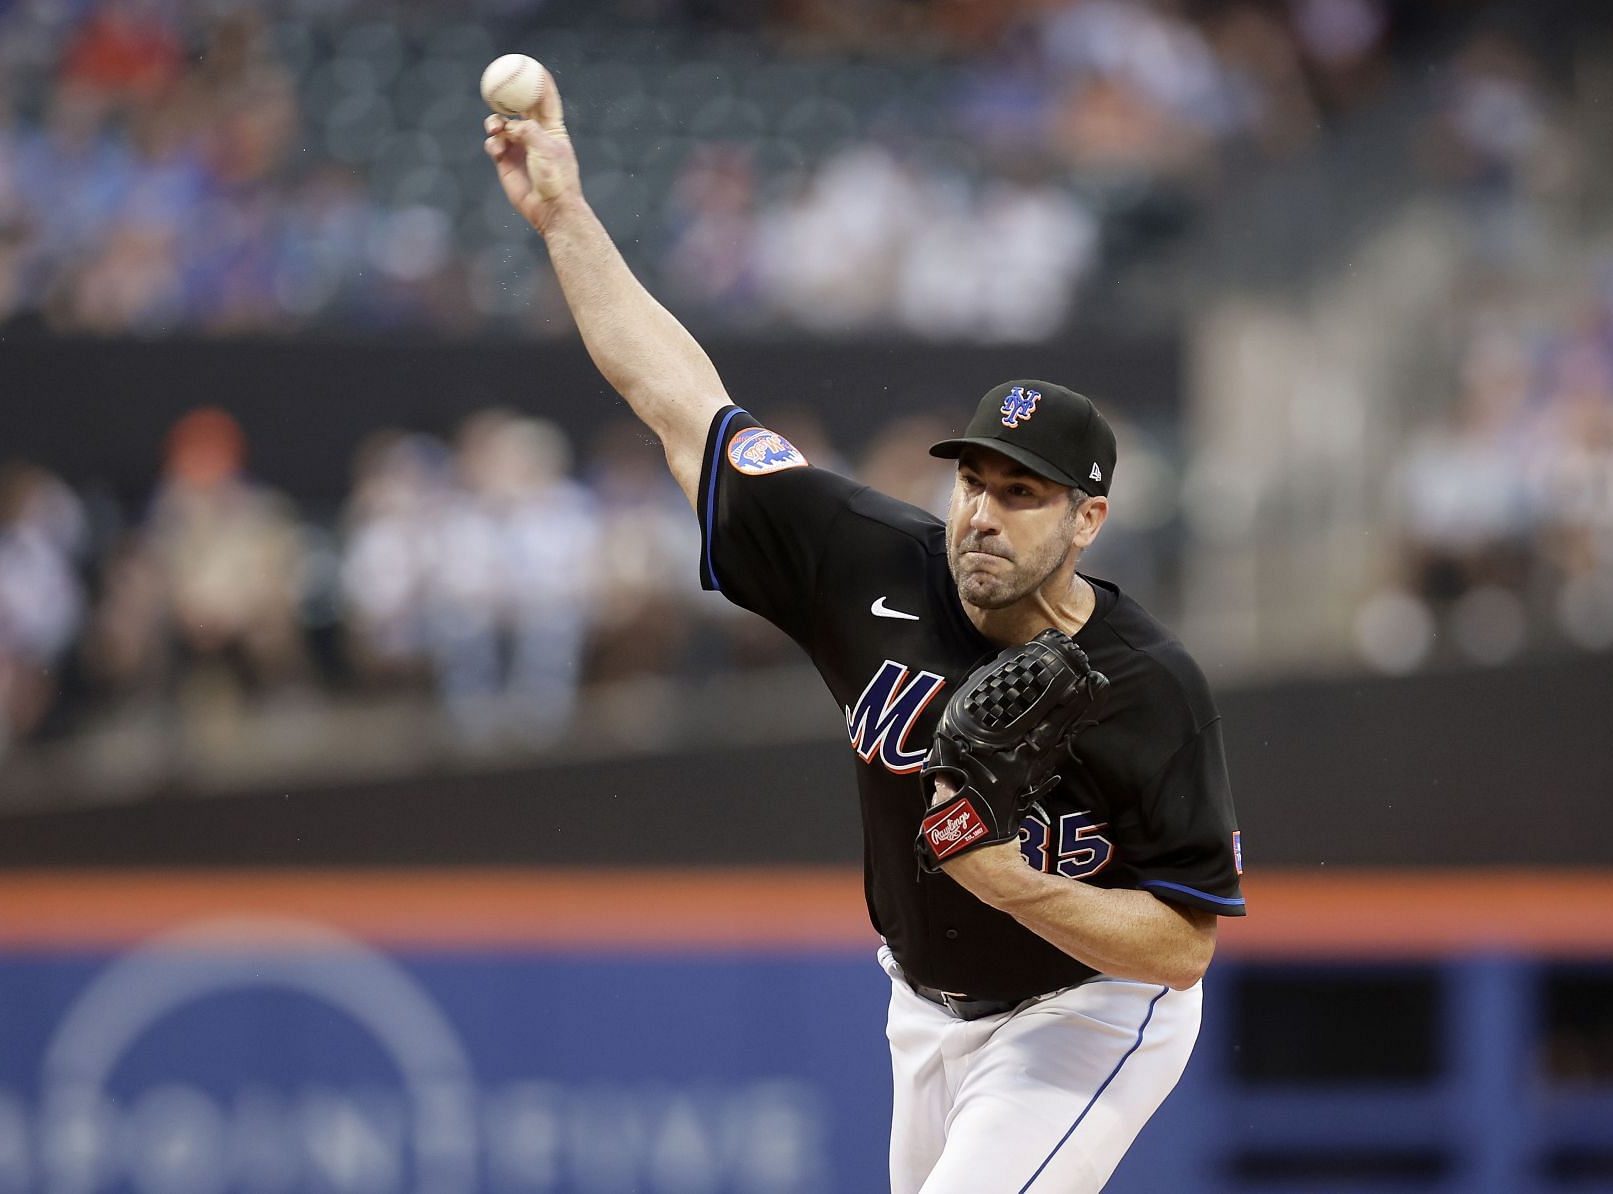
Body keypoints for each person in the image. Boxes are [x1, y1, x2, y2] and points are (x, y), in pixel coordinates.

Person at [482, 75, 1246, 1194]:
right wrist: (564, 217)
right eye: (974, 480)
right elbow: (678, 401)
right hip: (922, 1004)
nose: (983, 512)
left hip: (1088, 1010)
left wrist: (1001, 877)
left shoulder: (1147, 684)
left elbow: (1183, 949)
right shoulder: (867, 557)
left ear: (1089, 520)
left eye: (1022, 495)